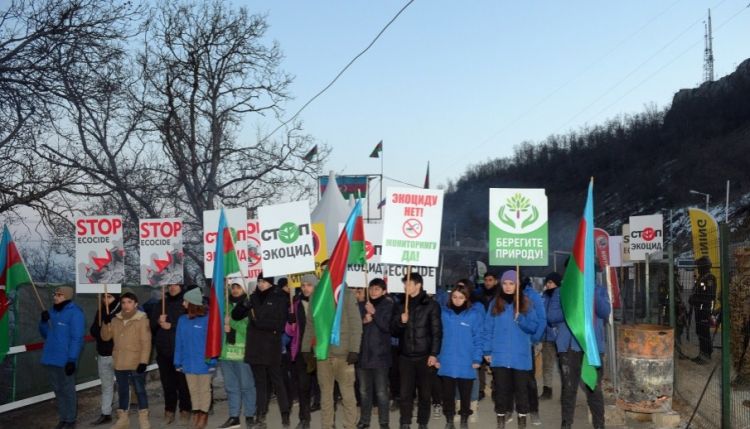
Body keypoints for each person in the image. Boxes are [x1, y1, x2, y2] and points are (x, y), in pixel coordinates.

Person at [547, 274, 612, 429]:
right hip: (569, 347)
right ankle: (566, 424)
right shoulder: (561, 292)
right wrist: (572, 305)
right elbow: (551, 316)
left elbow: (604, 312)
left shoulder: (599, 290)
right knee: (569, 388)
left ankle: (599, 424)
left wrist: (592, 291)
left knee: (593, 388)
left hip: (592, 348)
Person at [232, 273, 291, 428]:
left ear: (270, 283)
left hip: (271, 345)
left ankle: (285, 413)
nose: (260, 284)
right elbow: (236, 316)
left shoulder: (280, 297)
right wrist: (244, 305)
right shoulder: (252, 297)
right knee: (260, 383)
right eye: (258, 281)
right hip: (255, 346)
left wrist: (261, 324)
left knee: (277, 380)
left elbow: (280, 323)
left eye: (264, 281)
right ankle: (261, 414)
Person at [483, 270, 539, 429]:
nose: (508, 287)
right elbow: (488, 328)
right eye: (505, 283)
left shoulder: (526, 303)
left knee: (522, 392)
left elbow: (534, 327)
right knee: (501, 391)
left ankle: (522, 423)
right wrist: (487, 351)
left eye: (511, 283)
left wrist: (520, 318)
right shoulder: (495, 303)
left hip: (520, 356)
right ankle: (500, 423)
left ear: (517, 285)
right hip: (499, 356)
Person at [391, 272, 443, 429]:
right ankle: (405, 422)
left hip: (425, 357)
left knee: (425, 394)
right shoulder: (400, 304)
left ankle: (422, 423)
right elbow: (393, 331)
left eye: (408, 284)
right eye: (404, 284)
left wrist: (434, 354)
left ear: (418, 285)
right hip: (405, 357)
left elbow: (437, 332)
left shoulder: (431, 305)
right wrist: (401, 321)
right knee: (405, 393)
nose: (405, 287)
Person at [101, 291, 152, 429]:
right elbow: (106, 337)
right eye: (123, 302)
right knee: (122, 391)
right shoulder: (115, 319)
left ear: (135, 304)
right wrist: (105, 323)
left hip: (136, 361)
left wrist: (143, 361)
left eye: (129, 302)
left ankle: (144, 419)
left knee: (140, 390)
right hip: (119, 361)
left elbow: (146, 342)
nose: (126, 305)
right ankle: (123, 419)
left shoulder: (142, 319)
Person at [435, 284, 483, 429]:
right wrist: (436, 357)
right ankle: (449, 420)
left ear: (466, 299)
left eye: (461, 297)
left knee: (465, 394)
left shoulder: (474, 315)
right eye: (454, 297)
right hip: (447, 360)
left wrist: (477, 358)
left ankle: (464, 419)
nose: (457, 300)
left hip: (466, 361)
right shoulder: (443, 314)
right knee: (448, 394)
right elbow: (436, 336)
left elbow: (478, 338)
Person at [316, 283, 363, 429]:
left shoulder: (347, 295)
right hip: (323, 354)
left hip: (344, 355)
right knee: (326, 395)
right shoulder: (320, 294)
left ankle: (349, 425)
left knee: (347, 395)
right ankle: (327, 425)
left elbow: (356, 325)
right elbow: (313, 324)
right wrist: (308, 348)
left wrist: (354, 350)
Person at [39, 286, 85, 429]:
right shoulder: (52, 311)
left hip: (65, 360)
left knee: (67, 390)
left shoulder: (75, 313)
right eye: (55, 294)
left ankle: (71, 420)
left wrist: (72, 359)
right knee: (57, 390)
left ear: (67, 297)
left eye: (59, 295)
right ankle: (63, 418)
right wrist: (43, 322)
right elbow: (46, 334)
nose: (55, 297)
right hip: (51, 357)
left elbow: (77, 338)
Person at [148, 283, 192, 425]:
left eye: (175, 285)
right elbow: (152, 328)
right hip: (163, 350)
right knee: (167, 383)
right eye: (170, 285)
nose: (172, 288)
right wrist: (157, 322)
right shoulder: (160, 304)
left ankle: (185, 410)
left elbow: (190, 325)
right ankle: (169, 410)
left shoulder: (186, 303)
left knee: (183, 383)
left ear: (181, 287)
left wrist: (171, 326)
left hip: (181, 350)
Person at [174, 287, 216, 429]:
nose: (183, 304)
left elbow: (213, 342)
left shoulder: (207, 319)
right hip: (188, 363)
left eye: (185, 301)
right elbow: (178, 342)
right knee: (193, 390)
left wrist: (212, 361)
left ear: (192, 303)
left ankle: (203, 415)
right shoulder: (182, 320)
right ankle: (196, 412)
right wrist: (177, 361)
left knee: (204, 390)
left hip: (204, 362)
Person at [357, 278, 395, 429]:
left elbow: (388, 327)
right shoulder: (361, 305)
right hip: (363, 355)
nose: (373, 291)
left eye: (377, 289)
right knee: (364, 391)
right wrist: (363, 321)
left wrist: (374, 313)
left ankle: (384, 422)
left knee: (381, 392)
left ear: (384, 291)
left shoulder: (389, 306)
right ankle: (364, 420)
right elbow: (353, 327)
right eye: (371, 288)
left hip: (380, 356)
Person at [217, 283, 257, 429]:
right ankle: (234, 417)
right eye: (233, 287)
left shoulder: (249, 306)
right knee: (231, 387)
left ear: (244, 288)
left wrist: (232, 323)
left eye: (238, 287)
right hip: (226, 354)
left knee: (247, 386)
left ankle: (250, 416)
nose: (235, 290)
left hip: (242, 354)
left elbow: (250, 330)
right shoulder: (225, 306)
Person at [286, 274, 319, 429]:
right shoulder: (296, 303)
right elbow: (291, 332)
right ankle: (304, 419)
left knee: (325, 386)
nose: (305, 288)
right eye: (303, 285)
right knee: (303, 386)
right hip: (302, 350)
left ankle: (328, 419)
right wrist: (290, 321)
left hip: (321, 349)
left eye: (309, 285)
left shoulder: (323, 302)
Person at [89, 292, 121, 425]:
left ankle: (123, 412)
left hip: (117, 354)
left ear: (116, 298)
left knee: (122, 385)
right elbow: (93, 331)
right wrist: (102, 324)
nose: (105, 299)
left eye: (109, 297)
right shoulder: (100, 311)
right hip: (103, 354)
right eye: (104, 296)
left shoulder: (122, 311)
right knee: (106, 386)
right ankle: (106, 413)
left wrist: (110, 324)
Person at [523, 278, 547, 426]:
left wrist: (535, 339)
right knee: (509, 379)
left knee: (529, 379)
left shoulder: (532, 296)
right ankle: (507, 409)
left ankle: (534, 410)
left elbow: (542, 319)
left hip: (527, 343)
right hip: (510, 345)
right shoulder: (505, 294)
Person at [474, 272, 499, 401]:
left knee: (495, 363)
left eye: (490, 280)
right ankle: (481, 389)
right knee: (481, 363)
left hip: (495, 332)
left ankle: (495, 388)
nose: (487, 282)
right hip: (482, 331)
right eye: (486, 280)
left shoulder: (500, 295)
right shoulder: (478, 294)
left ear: (496, 281)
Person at [689, 256, 717, 364]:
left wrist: (694, 299)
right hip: (699, 310)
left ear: (704, 267)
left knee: (704, 333)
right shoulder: (702, 278)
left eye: (699, 266)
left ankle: (706, 355)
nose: (698, 268)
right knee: (700, 332)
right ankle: (702, 353)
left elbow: (708, 296)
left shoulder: (709, 278)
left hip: (704, 310)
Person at [539, 273, 561, 401]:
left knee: (562, 366)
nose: (548, 285)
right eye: (547, 282)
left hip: (559, 336)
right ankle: (547, 390)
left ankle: (566, 391)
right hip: (547, 337)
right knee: (547, 365)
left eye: (551, 282)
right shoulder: (544, 296)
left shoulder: (562, 294)